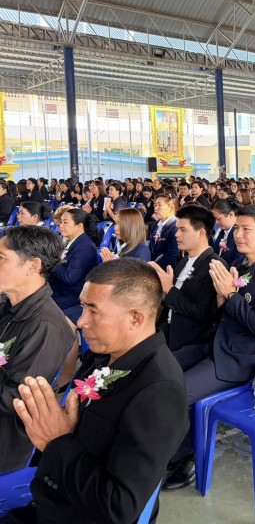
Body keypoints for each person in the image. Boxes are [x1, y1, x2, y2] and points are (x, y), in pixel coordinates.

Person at [3, 259, 188, 524]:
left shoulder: (160, 391)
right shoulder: (104, 354)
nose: (81, 322)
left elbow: (118, 507)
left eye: (93, 310)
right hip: (50, 497)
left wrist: (57, 443)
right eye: (82, 307)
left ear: (135, 318)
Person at [163, 205, 255, 491]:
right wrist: (223, 302)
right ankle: (166, 443)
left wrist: (231, 296)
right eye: (237, 229)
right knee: (161, 369)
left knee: (178, 392)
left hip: (238, 359)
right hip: (215, 344)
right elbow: (226, 314)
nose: (238, 235)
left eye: (247, 229)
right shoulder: (242, 265)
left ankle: (187, 455)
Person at [0, 226, 76, 475]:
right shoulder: (11, 306)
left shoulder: (45, 326)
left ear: (33, 266)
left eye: (1, 258)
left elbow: (17, 398)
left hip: (7, 440)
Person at [150, 204, 226, 351]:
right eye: (177, 229)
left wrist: (170, 289)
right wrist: (165, 292)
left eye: (183, 230)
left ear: (201, 232)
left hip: (189, 342)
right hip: (167, 330)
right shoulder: (183, 261)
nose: (176, 234)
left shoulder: (215, 265)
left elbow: (203, 313)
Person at [49, 209, 98, 323]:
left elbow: (69, 277)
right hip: (58, 290)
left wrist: (52, 261)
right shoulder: (72, 241)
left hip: (69, 296)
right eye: (61, 222)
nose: (60, 226)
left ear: (79, 226)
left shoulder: (85, 247)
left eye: (65, 222)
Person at [150, 194, 180, 269]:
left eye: (159, 205)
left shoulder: (177, 226)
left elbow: (173, 254)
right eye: (155, 205)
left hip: (169, 269)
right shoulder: (155, 225)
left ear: (171, 207)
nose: (155, 208)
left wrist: (154, 266)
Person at [211, 199, 242, 264]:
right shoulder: (223, 231)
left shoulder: (239, 234)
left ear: (231, 215)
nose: (216, 222)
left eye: (219, 219)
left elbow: (239, 261)